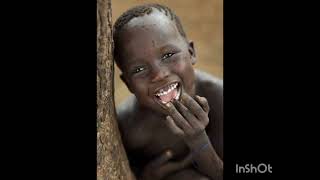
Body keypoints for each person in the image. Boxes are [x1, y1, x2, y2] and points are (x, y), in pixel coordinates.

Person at [113, 3, 223, 180]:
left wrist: (198, 140)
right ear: (128, 84)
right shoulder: (128, 128)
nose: (159, 75)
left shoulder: (219, 98)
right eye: (139, 69)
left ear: (191, 52)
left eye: (168, 55)